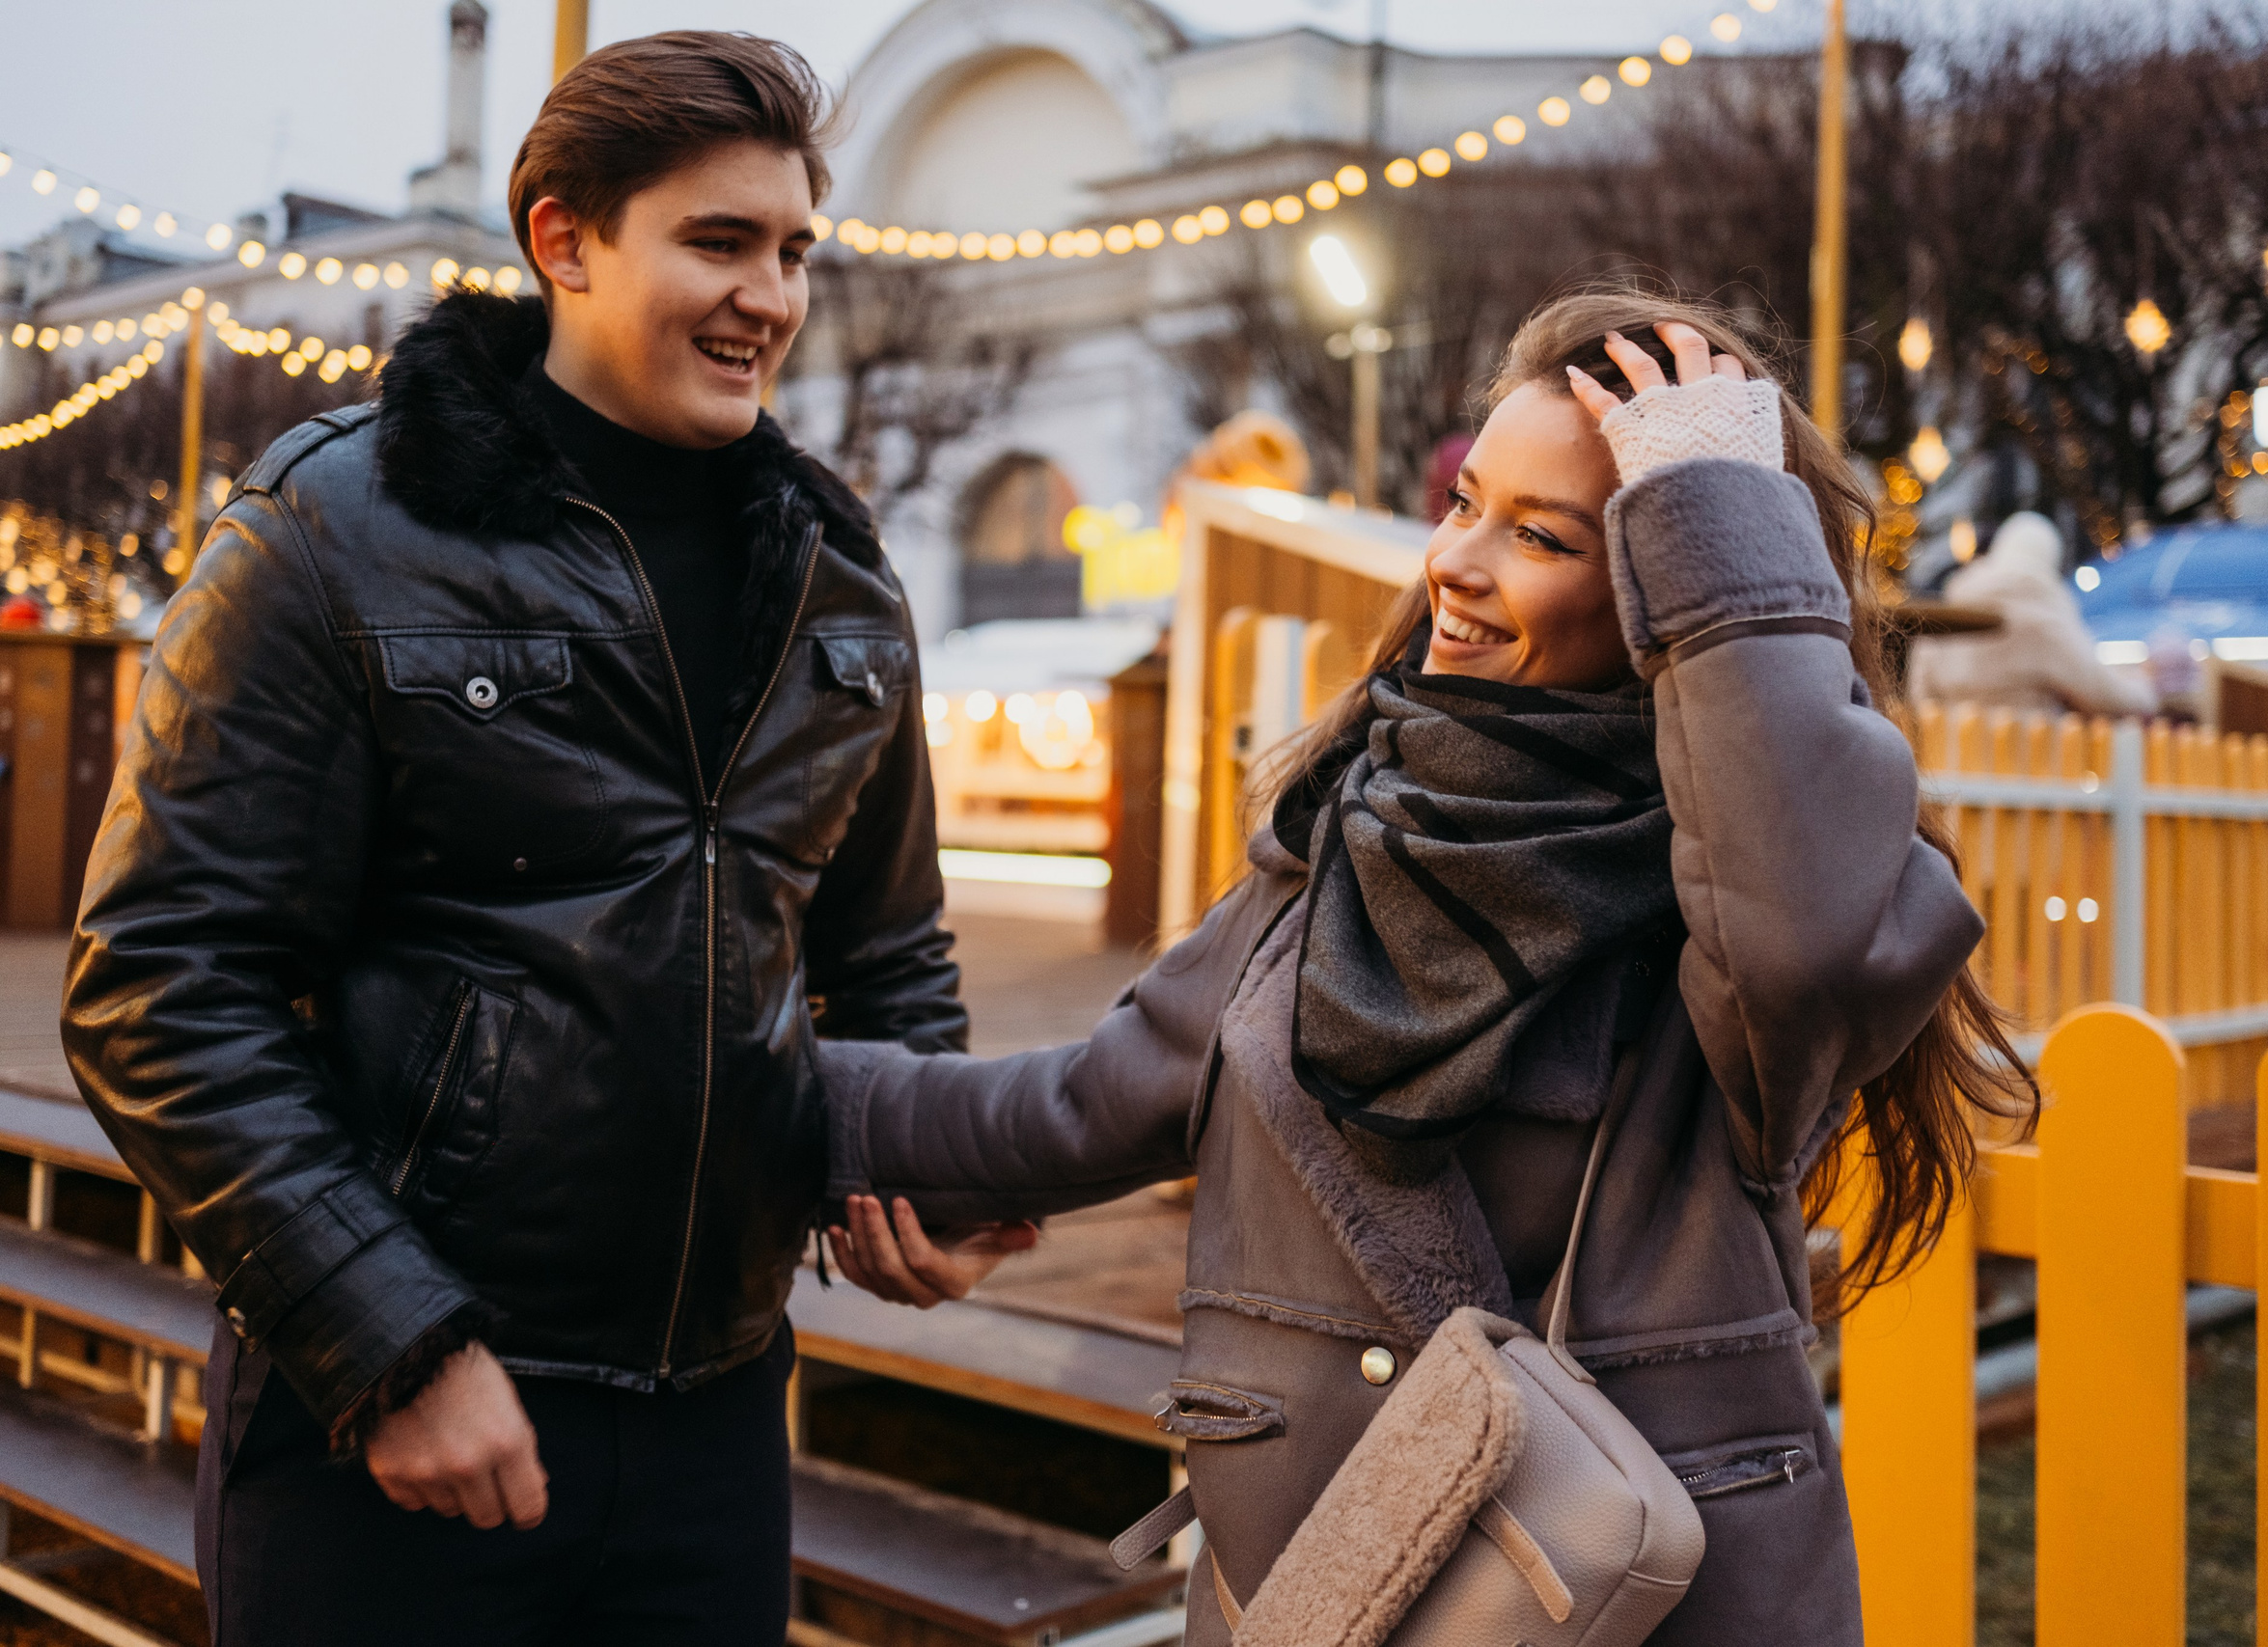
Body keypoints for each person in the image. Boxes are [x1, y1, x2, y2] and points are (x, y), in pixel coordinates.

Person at [822, 292, 2030, 1645]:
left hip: (1631, 1605)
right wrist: (768, 1103)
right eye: (1465, 501)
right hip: (1330, 1590)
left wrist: (1719, 512)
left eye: (1541, 534)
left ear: (1663, 580)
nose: (1455, 561)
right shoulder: (1346, 824)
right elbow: (1076, 1107)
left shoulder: (1735, 904)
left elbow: (1809, 929)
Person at [62, 32, 1024, 1645]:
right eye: (717, 242)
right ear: (563, 239)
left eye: (792, 250)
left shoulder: (841, 581)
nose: (769, 297)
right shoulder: (328, 531)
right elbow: (159, 980)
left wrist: (910, 1160)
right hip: (398, 1414)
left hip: (720, 1415)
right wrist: (391, 1345)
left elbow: (889, 951)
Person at [1905, 510, 2160, 717]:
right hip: (2028, 765)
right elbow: (2108, 696)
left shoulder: (1954, 609)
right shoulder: (2045, 620)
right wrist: (2148, 688)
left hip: (1953, 762)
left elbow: (1919, 696)